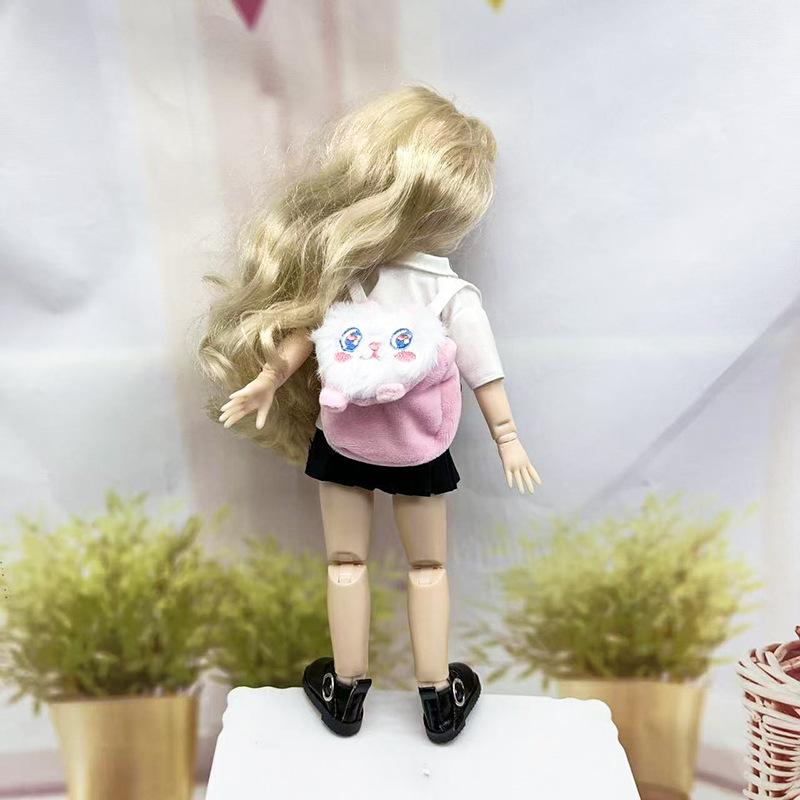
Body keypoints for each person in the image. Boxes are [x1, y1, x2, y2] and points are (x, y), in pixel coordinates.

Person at [200, 86, 540, 744]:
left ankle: (347, 689)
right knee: (428, 569)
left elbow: (306, 337)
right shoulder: (453, 295)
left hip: (346, 441)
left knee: (345, 563)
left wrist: (267, 381)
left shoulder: (352, 278)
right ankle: (438, 696)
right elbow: (485, 375)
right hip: (419, 449)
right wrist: (508, 439)